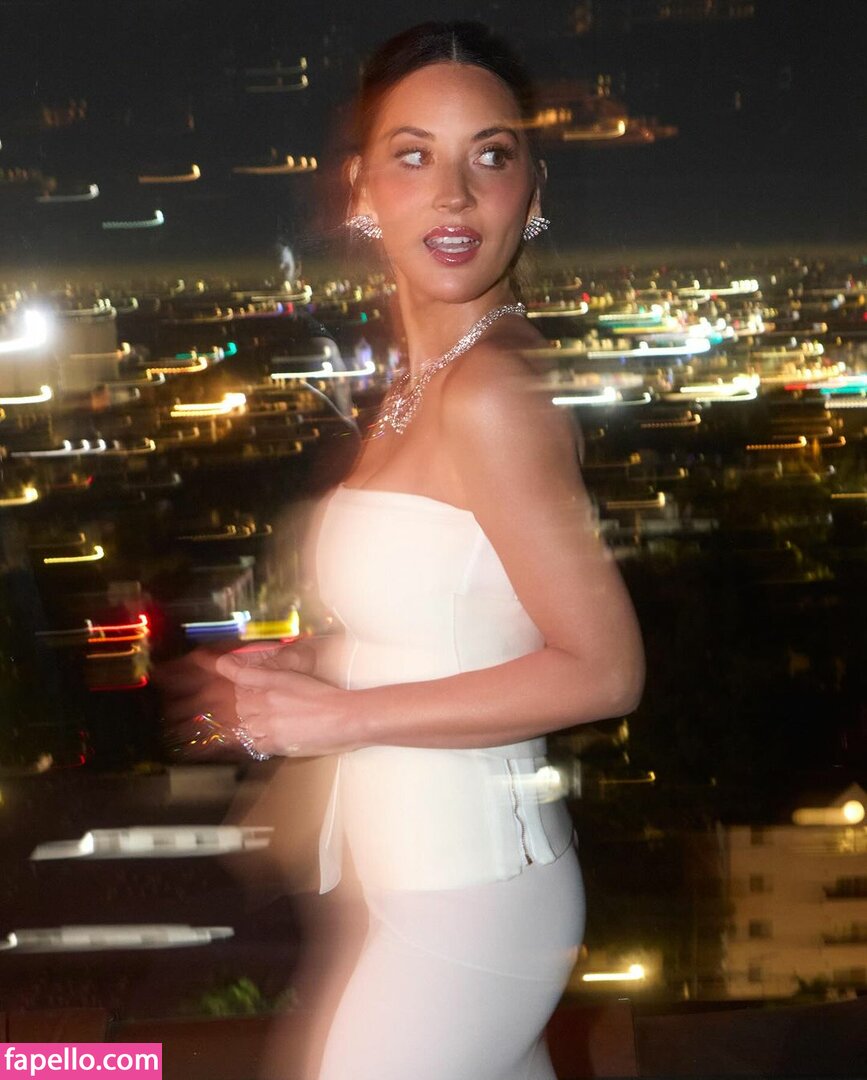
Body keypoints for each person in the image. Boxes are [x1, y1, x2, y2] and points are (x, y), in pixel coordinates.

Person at [215, 21, 645, 1080]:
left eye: (490, 155)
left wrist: (340, 717)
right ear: (361, 190)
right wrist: (325, 664)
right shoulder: (422, 384)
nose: (453, 194)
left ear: (531, 192)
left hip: (468, 899)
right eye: (414, 156)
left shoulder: (489, 392)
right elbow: (472, 620)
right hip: (412, 879)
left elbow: (604, 671)